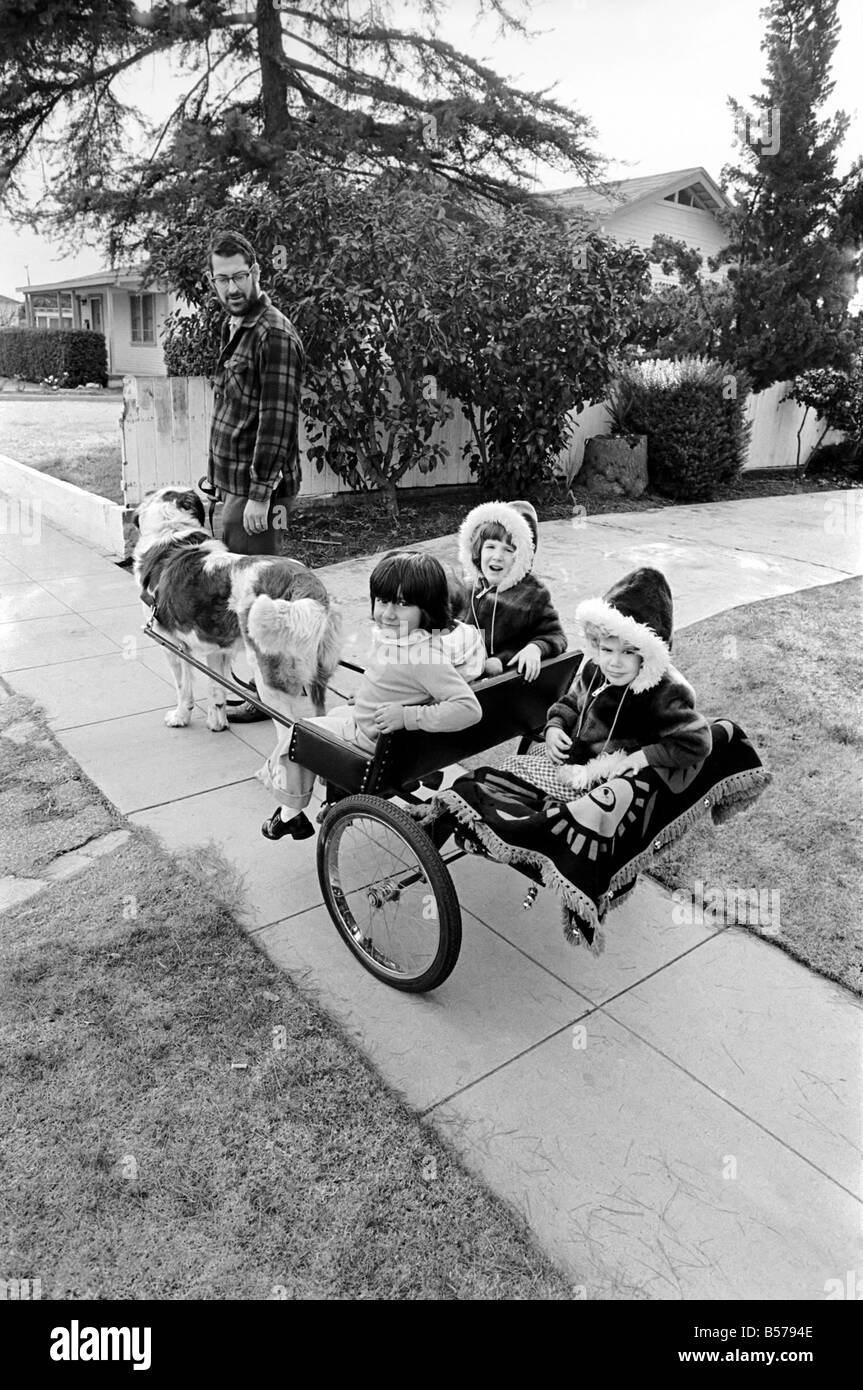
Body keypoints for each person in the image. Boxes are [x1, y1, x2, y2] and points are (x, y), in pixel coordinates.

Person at [257, 551, 485, 841]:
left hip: (368, 743)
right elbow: (398, 681)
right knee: (337, 714)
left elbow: (468, 708)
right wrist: (368, 694)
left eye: (402, 603)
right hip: (379, 734)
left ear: (427, 607)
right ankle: (335, 799)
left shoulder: (422, 656)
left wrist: (408, 716)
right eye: (383, 601)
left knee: (298, 733)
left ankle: (289, 814)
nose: (388, 613)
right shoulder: (410, 640)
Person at [206, 227, 305, 720]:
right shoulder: (237, 326)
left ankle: (280, 699)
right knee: (247, 593)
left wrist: (261, 495)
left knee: (262, 597)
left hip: (259, 493)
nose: (231, 288)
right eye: (222, 279)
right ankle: (266, 683)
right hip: (237, 488)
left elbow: (277, 420)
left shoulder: (273, 333)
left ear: (257, 273)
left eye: (239, 276)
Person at [504, 566, 712, 797]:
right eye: (607, 649)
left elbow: (697, 741)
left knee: (510, 769)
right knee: (531, 753)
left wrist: (642, 757)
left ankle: (540, 813)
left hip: (598, 784)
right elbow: (571, 702)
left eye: (628, 652)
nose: (614, 662)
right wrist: (555, 727)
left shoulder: (663, 692)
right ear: (597, 644)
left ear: (647, 654)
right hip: (575, 754)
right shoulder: (595, 670)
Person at [456, 499, 567, 682]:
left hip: (504, 680)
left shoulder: (533, 595)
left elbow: (556, 635)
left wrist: (536, 648)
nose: (497, 556)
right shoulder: (467, 588)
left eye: (509, 550)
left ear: (522, 557)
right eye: (490, 547)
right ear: (477, 551)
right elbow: (446, 625)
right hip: (464, 677)